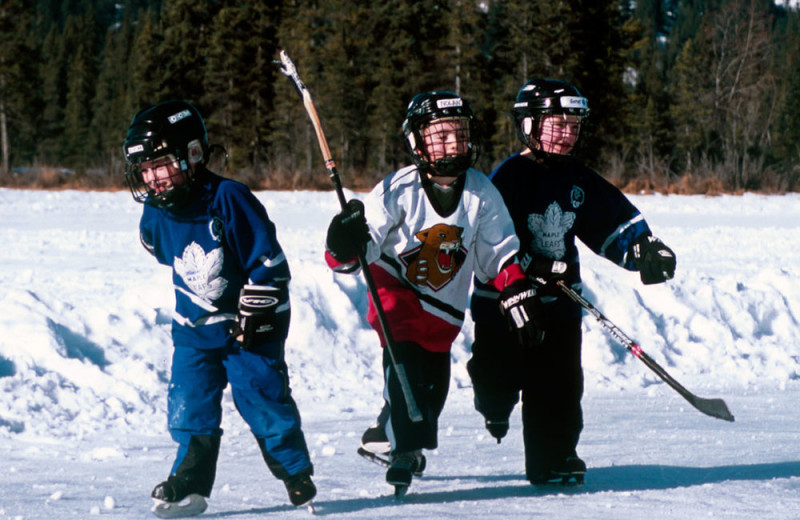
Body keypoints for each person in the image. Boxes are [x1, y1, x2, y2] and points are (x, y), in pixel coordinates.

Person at [324, 91, 543, 493]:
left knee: (433, 391)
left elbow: (497, 253)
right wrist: (343, 242)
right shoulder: (396, 190)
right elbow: (360, 248)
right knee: (405, 370)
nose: (452, 145)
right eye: (440, 136)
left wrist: (515, 287)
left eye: (458, 134)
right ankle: (405, 447)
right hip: (396, 293)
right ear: (417, 142)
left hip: (443, 312)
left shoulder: (480, 192)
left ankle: (383, 431)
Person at [467, 79, 676, 486]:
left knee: (559, 383)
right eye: (556, 124)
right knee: (498, 379)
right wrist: (529, 264)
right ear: (530, 125)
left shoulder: (578, 178)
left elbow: (611, 220)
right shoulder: (509, 177)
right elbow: (489, 239)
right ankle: (493, 402)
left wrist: (643, 251)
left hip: (560, 299)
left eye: (573, 125)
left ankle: (555, 456)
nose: (567, 133)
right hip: (504, 301)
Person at [122, 100, 316, 516]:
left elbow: (269, 263)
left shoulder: (229, 199)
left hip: (244, 331)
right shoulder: (155, 211)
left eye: (160, 164)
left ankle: (294, 471)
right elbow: (158, 248)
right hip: (192, 331)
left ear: (192, 154)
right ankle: (189, 479)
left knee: (263, 399)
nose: (152, 178)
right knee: (189, 405)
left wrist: (261, 306)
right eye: (145, 168)